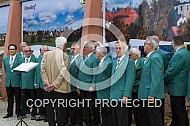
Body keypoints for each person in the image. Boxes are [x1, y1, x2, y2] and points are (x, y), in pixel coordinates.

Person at [41, 37, 71, 126]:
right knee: (60, 112)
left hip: (47, 88)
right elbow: (63, 72)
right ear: (64, 45)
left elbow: (42, 70)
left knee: (49, 110)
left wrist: (47, 83)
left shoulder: (46, 55)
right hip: (60, 88)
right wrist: (54, 85)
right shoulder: (65, 56)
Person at [138, 36, 164, 126]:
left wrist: (152, 94)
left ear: (151, 46)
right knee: (147, 119)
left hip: (150, 95)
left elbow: (156, 78)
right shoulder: (149, 57)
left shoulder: (155, 57)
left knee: (154, 119)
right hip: (145, 93)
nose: (144, 45)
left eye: (145, 43)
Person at [164, 36, 190, 126]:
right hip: (179, 87)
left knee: (179, 111)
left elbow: (172, 71)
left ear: (174, 43)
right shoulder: (185, 52)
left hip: (177, 87)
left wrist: (163, 79)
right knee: (177, 110)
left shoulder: (179, 54)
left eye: (172, 43)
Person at [110, 40, 135, 126]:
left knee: (122, 121)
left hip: (122, 96)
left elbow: (129, 80)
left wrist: (126, 95)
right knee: (115, 120)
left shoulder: (129, 62)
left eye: (120, 48)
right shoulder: (114, 62)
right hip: (113, 95)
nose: (118, 50)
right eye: (116, 48)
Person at [77, 41, 100, 126]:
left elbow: (95, 73)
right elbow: (80, 72)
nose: (83, 49)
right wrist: (78, 85)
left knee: (92, 108)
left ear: (90, 49)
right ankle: (88, 122)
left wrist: (93, 85)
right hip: (82, 87)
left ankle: (95, 123)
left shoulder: (95, 58)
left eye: (85, 47)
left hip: (90, 88)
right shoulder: (83, 58)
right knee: (85, 107)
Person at [93, 46, 113, 126]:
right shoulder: (101, 62)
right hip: (101, 91)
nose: (95, 54)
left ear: (100, 54)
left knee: (108, 111)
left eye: (96, 52)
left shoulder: (108, 63)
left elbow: (109, 77)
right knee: (104, 111)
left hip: (106, 92)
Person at [153, 35, 169, 125]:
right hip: (150, 85)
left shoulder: (164, 54)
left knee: (160, 105)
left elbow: (165, 69)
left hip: (160, 84)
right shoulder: (147, 53)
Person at [3, 44, 21, 120]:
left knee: (18, 98)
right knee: (9, 97)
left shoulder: (19, 59)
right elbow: (7, 71)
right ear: (9, 50)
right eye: (10, 49)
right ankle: (9, 112)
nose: (12, 50)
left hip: (16, 81)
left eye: (13, 49)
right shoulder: (5, 59)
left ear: (16, 50)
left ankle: (18, 113)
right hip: (8, 82)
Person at [19, 46, 37, 120]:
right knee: (23, 100)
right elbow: (19, 73)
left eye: (30, 51)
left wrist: (35, 82)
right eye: (27, 51)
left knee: (34, 99)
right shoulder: (21, 60)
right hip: (24, 84)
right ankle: (23, 113)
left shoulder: (34, 60)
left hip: (32, 83)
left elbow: (36, 72)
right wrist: (20, 83)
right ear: (23, 52)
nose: (28, 52)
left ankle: (34, 113)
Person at [68, 42, 83, 126]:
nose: (72, 50)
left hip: (76, 86)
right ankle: (72, 120)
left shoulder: (80, 59)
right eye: (71, 49)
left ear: (78, 50)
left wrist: (79, 86)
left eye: (74, 49)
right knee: (71, 104)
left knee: (78, 105)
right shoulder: (70, 58)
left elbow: (81, 73)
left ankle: (78, 121)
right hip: (69, 85)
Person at [128, 48, 144, 126]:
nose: (129, 56)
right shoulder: (129, 63)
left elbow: (141, 76)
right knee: (128, 108)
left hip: (137, 89)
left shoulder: (142, 62)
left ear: (136, 56)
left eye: (130, 55)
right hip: (129, 89)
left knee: (137, 109)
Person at [35, 45, 49, 121]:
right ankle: (41, 114)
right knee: (39, 100)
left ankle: (47, 115)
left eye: (47, 50)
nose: (45, 52)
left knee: (46, 101)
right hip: (39, 83)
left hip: (46, 84)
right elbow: (35, 72)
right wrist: (35, 82)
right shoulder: (38, 59)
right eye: (44, 50)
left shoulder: (50, 60)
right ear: (41, 51)